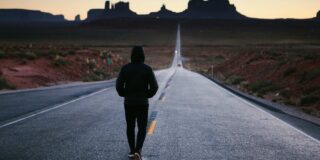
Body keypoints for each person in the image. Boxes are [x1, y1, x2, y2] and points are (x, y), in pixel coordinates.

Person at [116, 46, 158, 160]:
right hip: (142, 103)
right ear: (143, 55)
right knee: (142, 127)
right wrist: (146, 95)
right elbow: (155, 87)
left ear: (132, 55)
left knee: (130, 126)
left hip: (128, 103)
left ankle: (132, 150)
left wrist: (125, 94)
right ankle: (138, 151)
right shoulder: (147, 69)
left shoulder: (125, 68)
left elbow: (118, 86)